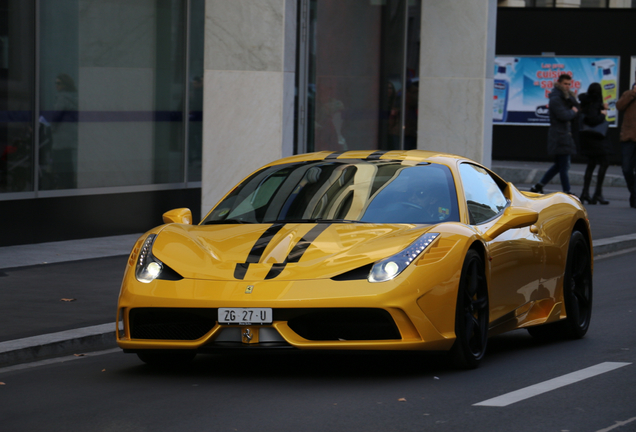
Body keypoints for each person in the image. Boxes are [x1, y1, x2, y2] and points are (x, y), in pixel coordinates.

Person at [531, 74, 579, 194]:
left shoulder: (566, 98)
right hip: (559, 136)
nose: (567, 86)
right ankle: (567, 191)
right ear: (559, 83)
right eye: (565, 84)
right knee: (564, 166)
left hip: (564, 135)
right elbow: (564, 115)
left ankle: (538, 186)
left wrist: (572, 103)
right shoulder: (556, 99)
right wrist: (573, 111)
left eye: (569, 84)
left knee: (559, 165)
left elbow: (576, 107)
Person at [578, 82, 611, 205]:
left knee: (591, 164)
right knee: (605, 162)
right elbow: (592, 120)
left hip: (587, 139)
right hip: (596, 139)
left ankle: (585, 192)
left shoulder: (586, 101)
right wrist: (603, 114)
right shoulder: (595, 102)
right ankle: (597, 193)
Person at [616, 82, 636, 208]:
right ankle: (634, 193)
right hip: (628, 138)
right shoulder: (628, 94)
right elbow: (619, 106)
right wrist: (632, 93)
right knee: (627, 168)